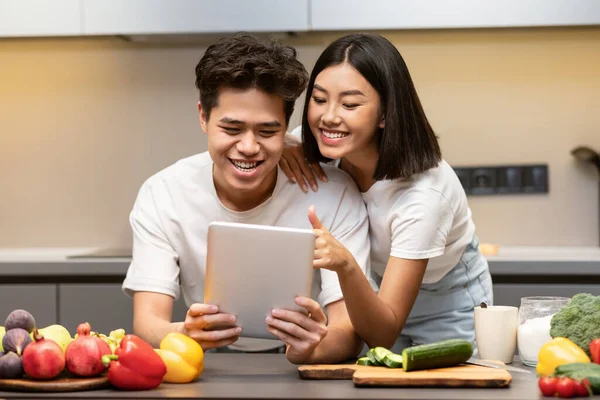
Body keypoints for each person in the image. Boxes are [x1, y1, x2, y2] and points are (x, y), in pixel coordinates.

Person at [121, 33, 377, 364]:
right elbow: (147, 324)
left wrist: (313, 348)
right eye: (232, 129)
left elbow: (346, 333)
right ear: (203, 116)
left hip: (302, 367)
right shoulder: (163, 194)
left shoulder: (333, 194)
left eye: (268, 132)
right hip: (202, 360)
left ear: (286, 128)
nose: (248, 147)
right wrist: (185, 334)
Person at [280, 33, 493, 354]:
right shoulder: (326, 143)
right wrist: (279, 144)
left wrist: (347, 265)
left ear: (385, 114)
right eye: (319, 99)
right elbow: (266, 135)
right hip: (370, 291)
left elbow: (383, 333)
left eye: (350, 104)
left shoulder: (425, 196)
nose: (328, 117)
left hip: (446, 304)